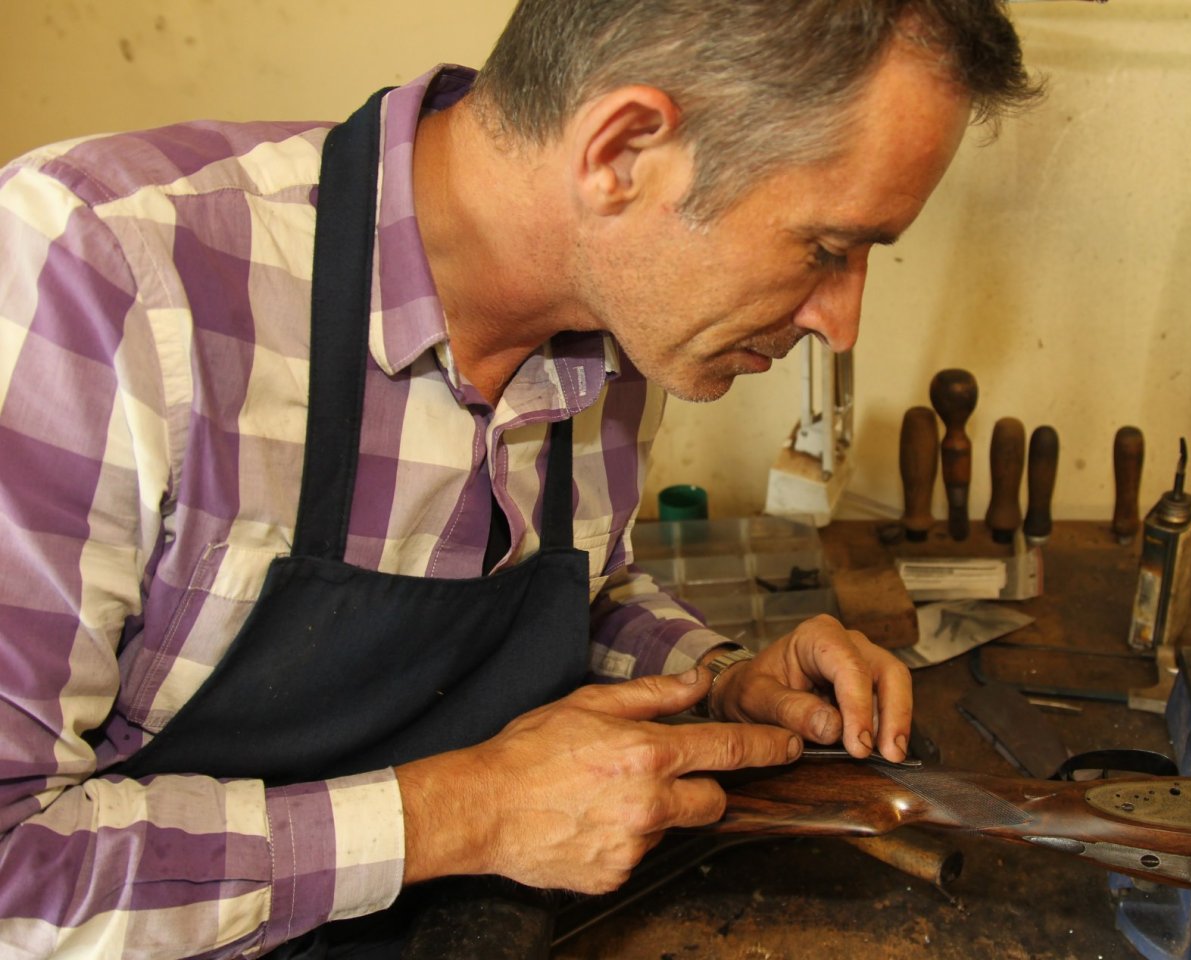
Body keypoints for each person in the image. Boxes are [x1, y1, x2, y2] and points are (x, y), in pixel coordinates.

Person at [0, 0, 1039, 956]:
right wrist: (463, 815)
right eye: (825, 247)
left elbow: (566, 593)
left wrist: (715, 678)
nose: (840, 320)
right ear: (624, 151)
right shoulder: (104, 278)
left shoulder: (621, 330)